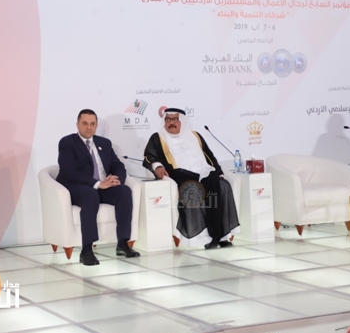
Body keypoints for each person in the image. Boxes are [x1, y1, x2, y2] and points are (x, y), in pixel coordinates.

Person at [143, 108, 240, 249]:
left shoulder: (195, 136)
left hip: (204, 173)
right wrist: (157, 166)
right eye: (168, 119)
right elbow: (149, 156)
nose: (171, 123)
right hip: (181, 175)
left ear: (182, 121)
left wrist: (218, 172)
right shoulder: (158, 137)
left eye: (175, 119)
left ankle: (221, 235)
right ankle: (201, 239)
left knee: (223, 185)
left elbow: (209, 156)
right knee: (192, 189)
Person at [56, 109, 140, 266]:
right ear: (77, 124)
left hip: (103, 186)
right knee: (90, 195)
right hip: (77, 187)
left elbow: (118, 165)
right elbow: (68, 171)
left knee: (124, 192)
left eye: (92, 124)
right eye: (84, 123)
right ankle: (86, 250)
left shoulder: (104, 143)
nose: (88, 127)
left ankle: (123, 243)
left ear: (96, 125)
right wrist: (97, 184)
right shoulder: (67, 142)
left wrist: (116, 180)